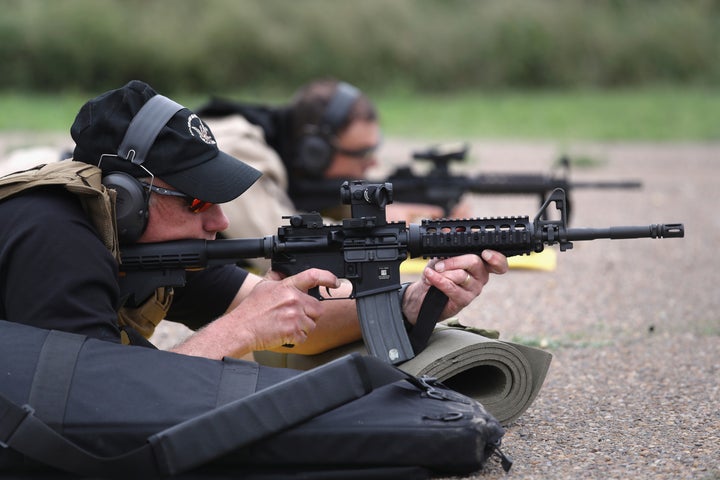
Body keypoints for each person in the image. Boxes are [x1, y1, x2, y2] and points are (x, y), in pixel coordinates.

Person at [0, 80, 508, 361]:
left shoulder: (146, 244)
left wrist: (411, 303)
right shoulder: (53, 235)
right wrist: (239, 331)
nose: (219, 222)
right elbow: (98, 406)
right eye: (198, 202)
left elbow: (295, 325)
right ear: (125, 196)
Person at [197, 78, 471, 251]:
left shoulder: (291, 149)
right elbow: (282, 246)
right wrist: (384, 231)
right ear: (315, 152)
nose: (372, 162)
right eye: (361, 154)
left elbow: (309, 198)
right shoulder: (236, 148)